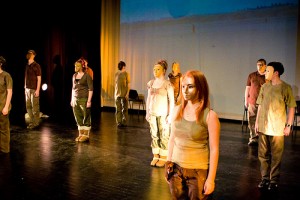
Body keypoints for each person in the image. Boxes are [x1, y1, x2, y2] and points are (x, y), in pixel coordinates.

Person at [165, 70, 220, 199]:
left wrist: (211, 179)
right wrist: (168, 164)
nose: (185, 90)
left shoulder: (210, 116)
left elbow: (214, 149)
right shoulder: (176, 111)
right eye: (183, 86)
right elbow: (172, 138)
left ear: (200, 88)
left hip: (198, 171)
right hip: (176, 170)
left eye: (190, 87)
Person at [255, 61, 296, 191]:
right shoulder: (264, 87)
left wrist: (288, 125)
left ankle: (274, 180)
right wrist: (256, 122)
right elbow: (260, 105)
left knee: (276, 156)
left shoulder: (286, 88)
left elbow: (291, 107)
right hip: (263, 126)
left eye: (268, 70)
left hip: (277, 128)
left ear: (276, 73)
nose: (265, 72)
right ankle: (265, 178)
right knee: (262, 155)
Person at [146, 59, 175, 167]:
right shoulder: (151, 83)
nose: (155, 71)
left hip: (163, 114)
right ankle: (156, 155)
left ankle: (163, 156)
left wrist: (170, 115)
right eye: (154, 69)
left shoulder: (167, 84)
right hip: (153, 113)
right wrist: (147, 112)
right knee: (154, 134)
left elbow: (172, 100)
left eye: (158, 69)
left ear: (163, 71)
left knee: (164, 135)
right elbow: (148, 98)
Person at [244, 58, 266, 146]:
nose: (259, 66)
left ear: (265, 65)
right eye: (258, 64)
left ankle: (261, 139)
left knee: (261, 121)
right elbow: (247, 88)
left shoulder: (267, 76)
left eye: (261, 64)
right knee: (251, 120)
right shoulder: (251, 75)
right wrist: (246, 100)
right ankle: (253, 138)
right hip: (252, 101)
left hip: (263, 103)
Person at [71, 59, 93, 142]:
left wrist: (89, 101)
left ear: (82, 67)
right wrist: (72, 99)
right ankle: (81, 134)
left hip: (84, 99)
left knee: (86, 116)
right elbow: (73, 88)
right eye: (75, 65)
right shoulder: (74, 75)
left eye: (77, 66)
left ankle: (86, 135)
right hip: (75, 99)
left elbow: (91, 89)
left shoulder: (87, 76)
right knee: (78, 116)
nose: (75, 67)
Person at [24, 50, 42, 129]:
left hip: (34, 88)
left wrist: (38, 90)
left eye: (30, 54)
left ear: (34, 55)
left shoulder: (36, 65)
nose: (29, 55)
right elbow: (26, 76)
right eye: (28, 53)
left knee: (35, 107)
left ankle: (36, 123)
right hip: (27, 89)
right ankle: (31, 122)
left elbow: (39, 78)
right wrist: (25, 86)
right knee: (28, 106)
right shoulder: (27, 65)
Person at [0, 56, 13, 154]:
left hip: (3, 106)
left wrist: (6, 107)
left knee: (4, 129)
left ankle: (4, 149)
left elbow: (9, 92)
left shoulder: (6, 75)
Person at [114, 61, 130, 127]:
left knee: (125, 109)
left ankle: (124, 122)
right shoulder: (116, 73)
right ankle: (119, 122)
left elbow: (128, 85)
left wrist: (127, 94)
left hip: (124, 94)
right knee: (118, 109)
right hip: (117, 94)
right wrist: (115, 94)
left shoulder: (126, 74)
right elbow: (116, 84)